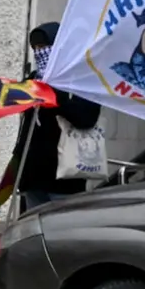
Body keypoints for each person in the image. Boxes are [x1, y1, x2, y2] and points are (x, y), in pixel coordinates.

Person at [17, 21, 106, 211]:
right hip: (33, 175)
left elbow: (86, 118)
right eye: (36, 48)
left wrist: (53, 93)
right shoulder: (35, 77)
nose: (40, 52)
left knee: (61, 231)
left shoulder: (82, 78)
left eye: (45, 47)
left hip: (64, 177)